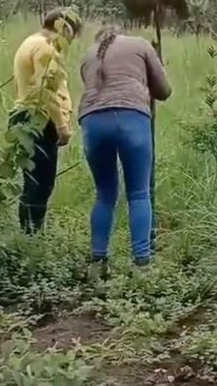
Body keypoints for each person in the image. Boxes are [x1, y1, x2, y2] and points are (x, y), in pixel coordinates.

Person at [79, 26, 171, 271]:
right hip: (132, 118)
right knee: (139, 193)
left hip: (92, 121)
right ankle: (142, 263)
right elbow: (164, 91)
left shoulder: (89, 54)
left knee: (104, 193)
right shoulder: (140, 44)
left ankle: (98, 261)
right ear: (121, 33)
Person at [11, 8, 82, 234]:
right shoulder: (45, 47)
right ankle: (31, 237)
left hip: (28, 117)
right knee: (40, 183)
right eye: (71, 33)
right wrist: (62, 126)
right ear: (63, 27)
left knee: (35, 181)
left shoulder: (30, 42)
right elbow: (47, 91)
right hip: (38, 119)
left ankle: (30, 234)